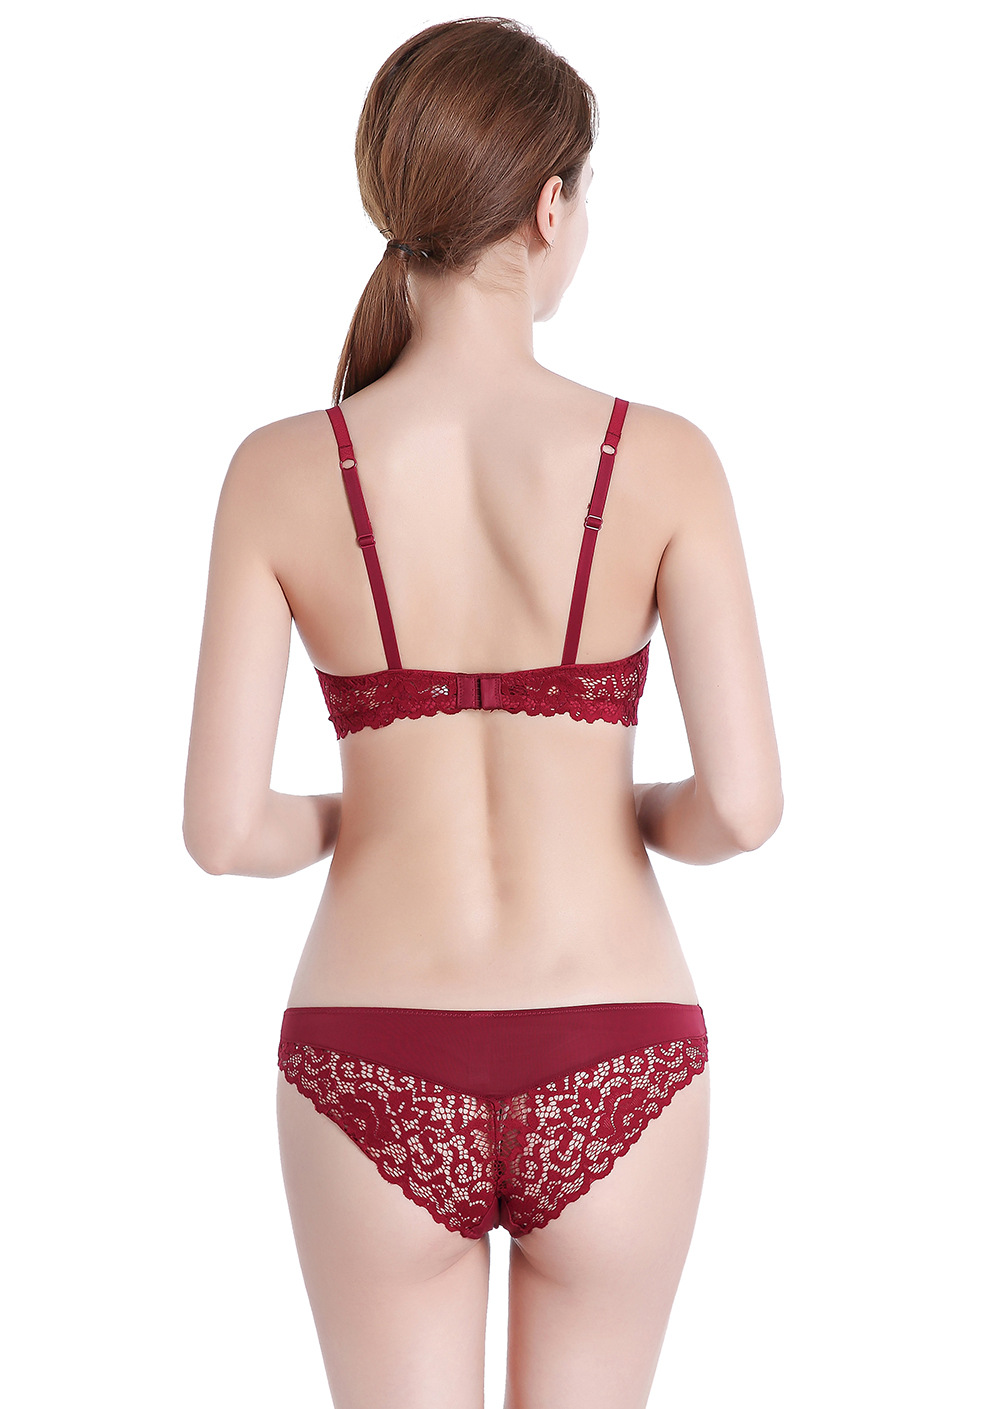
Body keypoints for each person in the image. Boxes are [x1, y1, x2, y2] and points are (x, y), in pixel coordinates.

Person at [183, 15, 782, 1408]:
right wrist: (629, 806)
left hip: (368, 1050)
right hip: (617, 1041)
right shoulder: (664, 460)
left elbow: (222, 832)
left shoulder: (278, 471)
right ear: (549, 206)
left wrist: (364, 810)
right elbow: (744, 809)